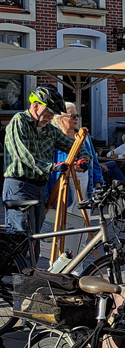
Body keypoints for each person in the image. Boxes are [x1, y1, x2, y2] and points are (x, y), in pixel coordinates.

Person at [4, 86, 90, 242]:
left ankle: (32, 267)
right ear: (36, 106)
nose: (51, 117)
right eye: (49, 112)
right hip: (19, 186)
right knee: (19, 237)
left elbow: (74, 145)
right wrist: (52, 166)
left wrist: (84, 158)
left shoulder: (49, 130)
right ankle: (14, 267)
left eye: (53, 114)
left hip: (39, 189)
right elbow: (25, 155)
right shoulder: (19, 122)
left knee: (36, 238)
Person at [47, 103, 103, 257]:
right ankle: (60, 266)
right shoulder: (53, 136)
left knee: (83, 230)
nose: (76, 119)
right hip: (62, 191)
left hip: (84, 190)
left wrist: (98, 183)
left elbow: (94, 163)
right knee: (61, 231)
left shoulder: (83, 136)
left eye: (77, 115)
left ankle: (77, 268)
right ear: (60, 119)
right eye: (72, 116)